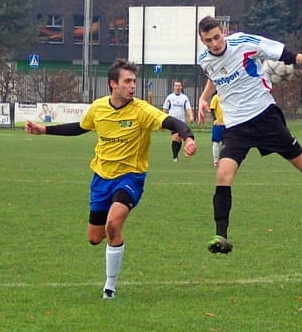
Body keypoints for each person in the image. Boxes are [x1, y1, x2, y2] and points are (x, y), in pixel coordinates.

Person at [25, 59, 197, 299]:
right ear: (113, 84)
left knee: (113, 224)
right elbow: (80, 127)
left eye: (134, 82)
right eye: (127, 81)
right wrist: (45, 130)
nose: (132, 86)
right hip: (101, 178)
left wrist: (187, 137)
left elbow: (172, 122)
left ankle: (110, 287)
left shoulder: (141, 110)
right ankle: (113, 244)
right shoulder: (99, 108)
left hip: (130, 177)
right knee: (95, 238)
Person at [196, 15, 302, 254]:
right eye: (208, 40)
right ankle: (220, 236)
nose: (214, 43)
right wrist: (204, 98)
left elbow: (287, 54)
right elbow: (215, 77)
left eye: (216, 37)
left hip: (265, 116)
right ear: (202, 41)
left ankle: (295, 148)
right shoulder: (203, 60)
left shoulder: (244, 43)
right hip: (236, 127)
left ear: (222, 31)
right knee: (223, 175)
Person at [163, 81, 194, 162]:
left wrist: (191, 116)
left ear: (181, 87)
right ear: (174, 87)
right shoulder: (169, 97)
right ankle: (175, 157)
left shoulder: (184, 98)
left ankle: (176, 156)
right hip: (172, 122)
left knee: (179, 139)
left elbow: (188, 108)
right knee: (176, 137)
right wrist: (162, 119)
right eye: (176, 86)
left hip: (181, 122)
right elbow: (165, 109)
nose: (177, 87)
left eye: (179, 86)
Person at [209, 92, 225, 167]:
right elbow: (212, 109)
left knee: (226, 143)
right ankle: (216, 160)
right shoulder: (216, 97)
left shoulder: (228, 96)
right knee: (216, 142)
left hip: (228, 124)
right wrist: (215, 119)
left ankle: (225, 159)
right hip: (218, 124)